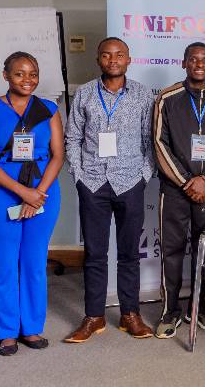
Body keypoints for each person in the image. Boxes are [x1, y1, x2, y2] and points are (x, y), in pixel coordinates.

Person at [0, 51, 64, 356]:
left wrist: (37, 193)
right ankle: (6, 330)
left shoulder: (49, 109)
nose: (28, 80)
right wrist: (23, 193)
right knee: (4, 263)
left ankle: (31, 327)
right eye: (20, 74)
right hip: (0, 191)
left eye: (33, 74)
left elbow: (57, 156)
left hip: (43, 190)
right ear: (6, 75)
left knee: (35, 262)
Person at [63, 37, 154, 343]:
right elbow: (72, 137)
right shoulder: (84, 93)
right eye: (106, 55)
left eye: (119, 55)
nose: (113, 60)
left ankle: (130, 314)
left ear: (128, 59)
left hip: (130, 182)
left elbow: (149, 141)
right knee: (94, 254)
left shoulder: (143, 95)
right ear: (98, 59)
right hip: (93, 183)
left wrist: (143, 175)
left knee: (129, 253)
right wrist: (78, 175)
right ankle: (94, 316)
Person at [152, 42, 205, 339]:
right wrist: (188, 180)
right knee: (173, 250)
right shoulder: (167, 98)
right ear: (184, 63)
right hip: (175, 189)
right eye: (193, 59)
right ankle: (169, 310)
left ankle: (197, 309)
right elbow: (159, 144)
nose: (199, 63)